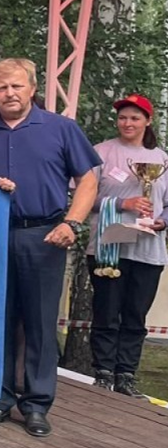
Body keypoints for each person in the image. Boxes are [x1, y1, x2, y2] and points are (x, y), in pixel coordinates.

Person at [0, 58, 99, 438]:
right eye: (1, 87)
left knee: (40, 323)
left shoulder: (61, 128)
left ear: (33, 88)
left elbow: (88, 180)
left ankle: (37, 405)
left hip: (45, 235)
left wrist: (72, 223)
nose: (9, 93)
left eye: (17, 86)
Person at [85, 94, 167, 399]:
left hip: (147, 250)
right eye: (122, 117)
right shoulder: (100, 152)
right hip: (109, 248)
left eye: (134, 117)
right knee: (106, 312)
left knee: (135, 315)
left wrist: (161, 222)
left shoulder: (162, 159)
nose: (127, 123)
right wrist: (123, 203)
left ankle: (126, 375)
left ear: (148, 121)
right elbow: (84, 197)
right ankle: (103, 372)